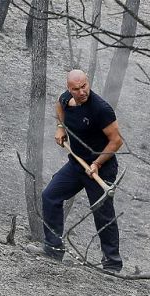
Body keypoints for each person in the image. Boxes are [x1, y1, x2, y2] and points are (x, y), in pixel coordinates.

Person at [41, 69, 123, 272]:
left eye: (84, 86)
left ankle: (112, 264)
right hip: (77, 164)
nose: (81, 92)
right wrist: (60, 127)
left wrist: (97, 164)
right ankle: (53, 248)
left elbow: (116, 141)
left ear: (88, 83)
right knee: (50, 195)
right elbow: (59, 106)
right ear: (70, 88)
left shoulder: (101, 109)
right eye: (76, 89)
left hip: (101, 169)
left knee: (102, 212)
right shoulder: (66, 98)